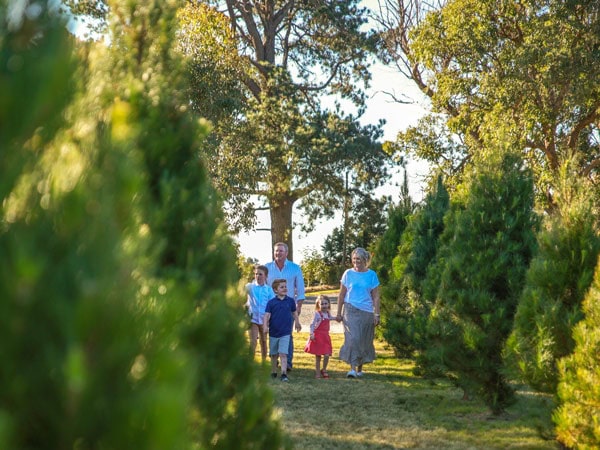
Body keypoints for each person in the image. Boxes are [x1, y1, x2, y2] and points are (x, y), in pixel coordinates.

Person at [335, 247, 381, 378]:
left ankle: (360, 369)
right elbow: (341, 294)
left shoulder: (371, 275)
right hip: (350, 310)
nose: (356, 262)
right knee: (353, 339)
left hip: (366, 311)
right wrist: (338, 313)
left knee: (363, 340)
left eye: (358, 259)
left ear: (365, 260)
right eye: (354, 259)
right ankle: (352, 369)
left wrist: (376, 314)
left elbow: (376, 296)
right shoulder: (348, 274)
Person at [265, 242, 305, 371]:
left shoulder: (295, 268)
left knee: (287, 334)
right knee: (273, 334)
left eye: (281, 251)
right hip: (272, 307)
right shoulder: (267, 268)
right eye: (276, 251)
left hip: (288, 307)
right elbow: (262, 286)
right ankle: (274, 361)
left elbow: (300, 289)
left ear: (286, 253)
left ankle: (287, 363)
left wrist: (298, 306)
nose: (278, 253)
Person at [263, 279, 302, 382]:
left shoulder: (290, 301)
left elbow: (294, 312)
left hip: (285, 332)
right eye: (282, 287)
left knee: (283, 353)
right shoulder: (271, 303)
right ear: (275, 290)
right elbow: (266, 315)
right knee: (274, 354)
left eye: (285, 286)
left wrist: (297, 322)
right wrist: (265, 326)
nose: (285, 288)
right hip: (273, 332)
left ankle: (284, 374)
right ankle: (274, 371)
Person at [245, 264, 274, 362]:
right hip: (253, 319)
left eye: (260, 274)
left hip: (264, 320)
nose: (258, 276)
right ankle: (249, 362)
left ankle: (263, 362)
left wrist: (269, 318)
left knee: (264, 341)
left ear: (266, 276)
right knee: (253, 342)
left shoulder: (268, 290)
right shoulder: (250, 287)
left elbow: (272, 305)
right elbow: (241, 294)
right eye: (256, 274)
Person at [304, 295, 334, 379]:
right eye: (322, 304)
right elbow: (312, 325)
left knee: (327, 354)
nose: (324, 306)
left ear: (328, 304)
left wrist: (338, 318)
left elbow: (331, 318)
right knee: (318, 356)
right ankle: (317, 372)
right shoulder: (317, 314)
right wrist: (311, 334)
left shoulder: (328, 313)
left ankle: (324, 369)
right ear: (318, 305)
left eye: (326, 304)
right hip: (318, 336)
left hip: (325, 336)